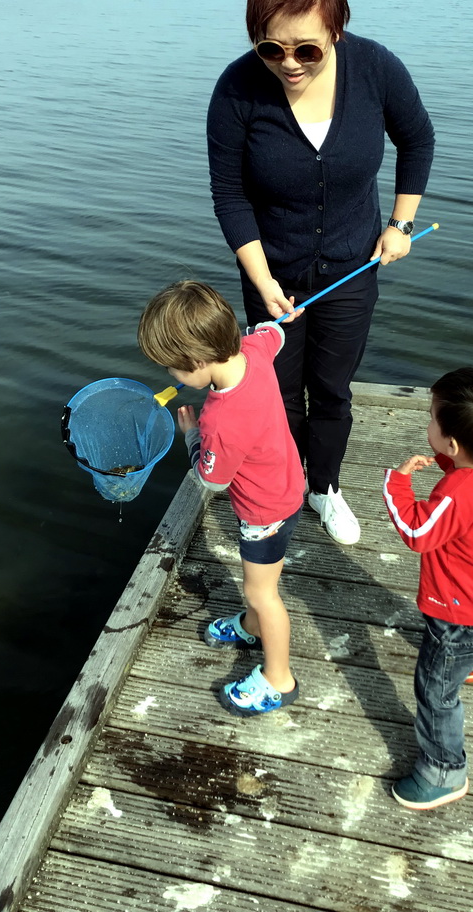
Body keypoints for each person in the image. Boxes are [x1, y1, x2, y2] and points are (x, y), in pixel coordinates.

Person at [207, 0, 435, 547]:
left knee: (331, 390)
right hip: (270, 273)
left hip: (352, 269)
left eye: (306, 49)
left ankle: (324, 487)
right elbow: (230, 194)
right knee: (277, 394)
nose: (288, 63)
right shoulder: (236, 90)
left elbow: (417, 138)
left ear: (336, 28)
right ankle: (279, 488)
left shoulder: (376, 69)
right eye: (270, 48)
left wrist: (400, 224)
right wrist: (262, 282)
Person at [138, 280, 305, 717]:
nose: (173, 377)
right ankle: (251, 628)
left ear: (196, 361)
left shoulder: (220, 420)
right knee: (261, 587)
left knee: (262, 593)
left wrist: (191, 434)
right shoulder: (253, 348)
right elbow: (277, 331)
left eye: (174, 370)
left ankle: (278, 678)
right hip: (288, 486)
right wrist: (282, 317)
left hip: (264, 511)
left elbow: (212, 477)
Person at [382, 367, 473, 810]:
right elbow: (472, 492)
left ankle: (444, 772)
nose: (426, 422)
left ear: (451, 443)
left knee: (435, 694)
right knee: (472, 647)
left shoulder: (453, 494)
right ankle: (471, 665)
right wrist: (453, 464)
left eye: (431, 417)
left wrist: (397, 482)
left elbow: (416, 530)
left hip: (457, 614)